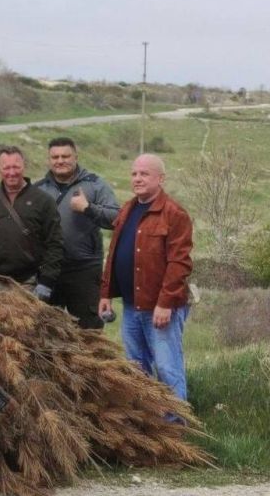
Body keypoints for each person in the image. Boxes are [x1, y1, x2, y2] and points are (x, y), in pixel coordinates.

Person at [99, 154, 193, 401]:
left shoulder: (174, 213)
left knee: (167, 368)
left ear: (160, 179)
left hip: (160, 308)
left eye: (144, 174)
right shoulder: (128, 209)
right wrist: (106, 294)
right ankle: (148, 419)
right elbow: (114, 253)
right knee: (136, 367)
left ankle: (176, 422)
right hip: (131, 306)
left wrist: (165, 303)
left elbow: (179, 263)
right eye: (134, 174)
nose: (137, 179)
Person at [34, 137, 119, 328]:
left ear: (76, 157)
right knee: (47, 330)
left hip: (85, 269)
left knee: (88, 331)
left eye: (65, 156)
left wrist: (88, 208)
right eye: (55, 157)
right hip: (49, 271)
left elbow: (117, 218)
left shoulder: (95, 184)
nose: (60, 161)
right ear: (49, 160)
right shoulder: (38, 189)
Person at [0, 146, 63, 301]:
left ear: (24, 166)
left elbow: (54, 244)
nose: (11, 172)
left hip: (26, 283)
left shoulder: (43, 201)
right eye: (6, 168)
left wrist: (47, 281)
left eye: (16, 167)